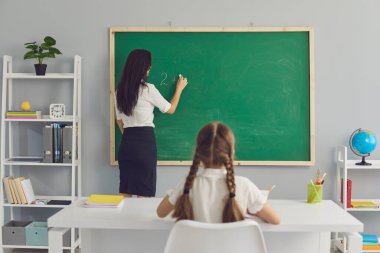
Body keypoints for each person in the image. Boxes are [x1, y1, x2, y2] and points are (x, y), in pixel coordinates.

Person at [156, 122, 280, 224]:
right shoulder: (244, 185)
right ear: (231, 153)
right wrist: (249, 207)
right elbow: (275, 220)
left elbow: (161, 212)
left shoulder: (187, 185)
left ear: (197, 152)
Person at [115, 49, 188, 197]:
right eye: (148, 67)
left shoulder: (119, 91)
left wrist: (130, 138)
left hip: (127, 143)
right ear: (143, 69)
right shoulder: (148, 89)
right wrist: (179, 89)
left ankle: (123, 220)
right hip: (144, 143)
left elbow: (119, 121)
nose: (149, 70)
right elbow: (170, 109)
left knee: (125, 192)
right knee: (144, 193)